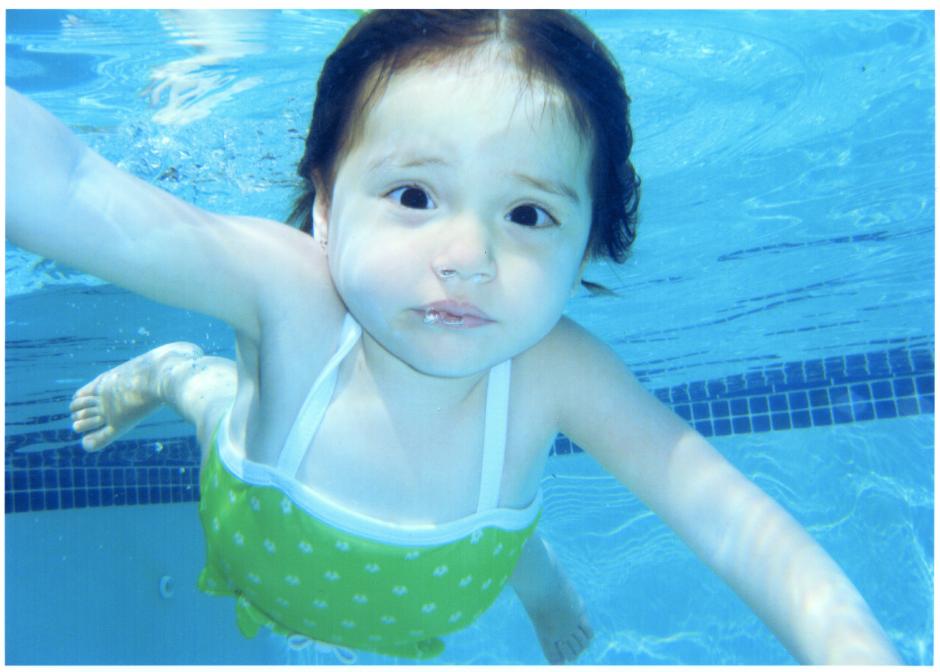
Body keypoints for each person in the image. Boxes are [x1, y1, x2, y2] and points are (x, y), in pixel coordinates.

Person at [6, 9, 901, 666]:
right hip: (258, 524)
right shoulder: (287, 297)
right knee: (211, 400)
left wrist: (854, 651)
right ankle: (173, 370)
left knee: (514, 534)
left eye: (526, 213)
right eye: (414, 196)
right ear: (324, 202)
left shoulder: (560, 372)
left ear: (587, 242)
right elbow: (74, 185)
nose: (469, 257)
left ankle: (538, 580)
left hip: (462, 557)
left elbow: (725, 514)